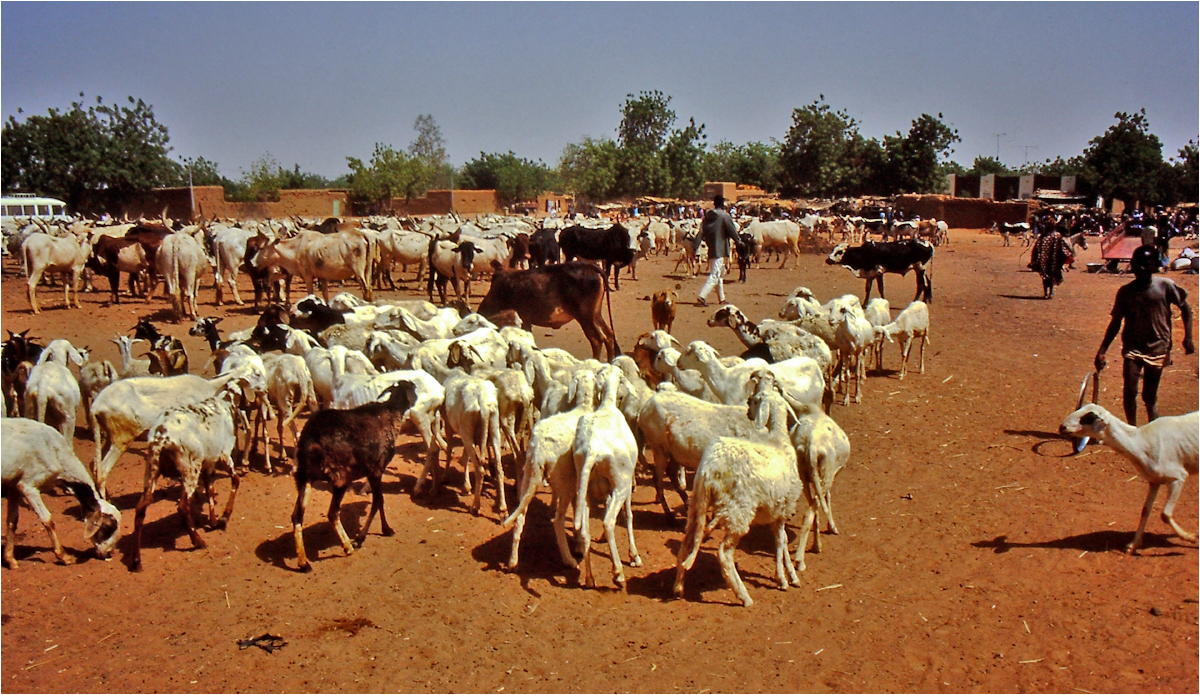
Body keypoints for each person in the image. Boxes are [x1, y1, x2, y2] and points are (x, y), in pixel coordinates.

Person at [1095, 245, 1195, 425]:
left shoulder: (1165, 287)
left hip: (1158, 347)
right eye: (1137, 264)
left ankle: (1153, 429)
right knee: (1129, 391)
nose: (1141, 268)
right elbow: (1116, 322)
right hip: (1133, 347)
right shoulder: (1126, 292)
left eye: (1146, 264)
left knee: (1149, 396)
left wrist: (1188, 337)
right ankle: (1132, 431)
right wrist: (1102, 350)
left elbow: (1186, 310)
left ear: (1155, 265)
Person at [697, 194, 736, 307]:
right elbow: (732, 231)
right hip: (721, 249)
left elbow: (701, 232)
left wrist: (696, 245)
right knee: (715, 275)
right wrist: (738, 242)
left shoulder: (708, 217)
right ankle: (702, 296)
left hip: (711, 248)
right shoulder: (724, 216)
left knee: (718, 274)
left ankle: (722, 298)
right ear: (723, 204)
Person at [1030, 222, 1073, 299]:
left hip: (1044, 262)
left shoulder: (1043, 237)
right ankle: (1050, 292)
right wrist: (1068, 255)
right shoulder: (1056, 236)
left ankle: (1046, 293)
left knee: (1045, 277)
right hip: (1053, 261)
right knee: (1051, 276)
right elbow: (1063, 248)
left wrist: (1034, 260)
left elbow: (1035, 249)